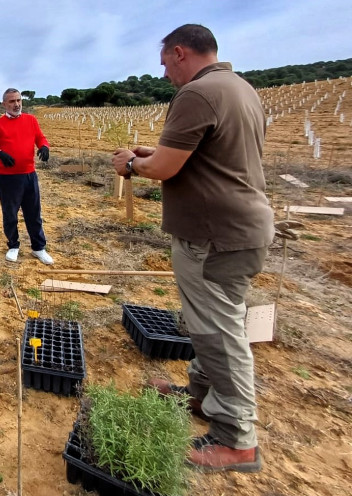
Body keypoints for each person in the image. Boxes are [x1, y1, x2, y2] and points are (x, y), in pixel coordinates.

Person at [112, 24, 273, 473]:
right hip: (239, 229)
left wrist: (131, 164)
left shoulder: (197, 95)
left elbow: (164, 168)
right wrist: (154, 152)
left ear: (180, 52)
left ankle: (237, 440)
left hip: (213, 235)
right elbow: (202, 155)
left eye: (165, 63)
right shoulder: (240, 89)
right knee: (212, 323)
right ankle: (202, 395)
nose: (164, 74)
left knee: (220, 332)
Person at [0, 88, 54, 265]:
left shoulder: (31, 120)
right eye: (12, 101)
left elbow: (40, 137)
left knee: (34, 214)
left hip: (29, 175)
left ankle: (39, 248)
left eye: (18, 100)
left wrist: (44, 146)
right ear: (4, 104)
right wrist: (0, 153)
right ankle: (13, 246)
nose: (16, 104)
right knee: (10, 215)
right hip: (8, 178)